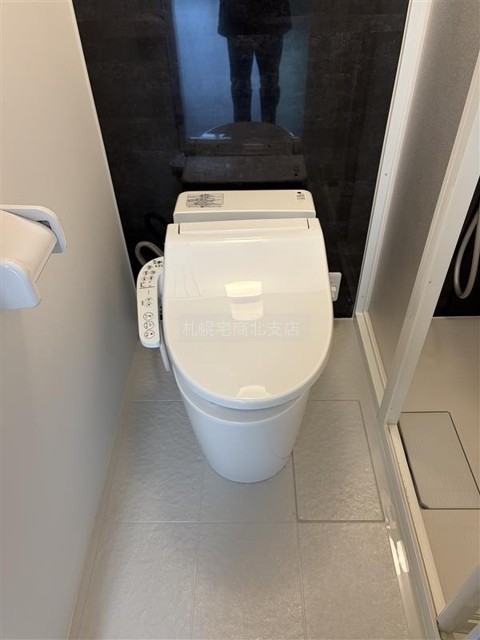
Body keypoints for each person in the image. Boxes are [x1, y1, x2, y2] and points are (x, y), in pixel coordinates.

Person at [218, 0, 292, 124]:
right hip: (266, 18)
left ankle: (247, 127)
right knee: (266, 81)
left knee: (245, 82)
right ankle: (265, 127)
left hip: (242, 19)